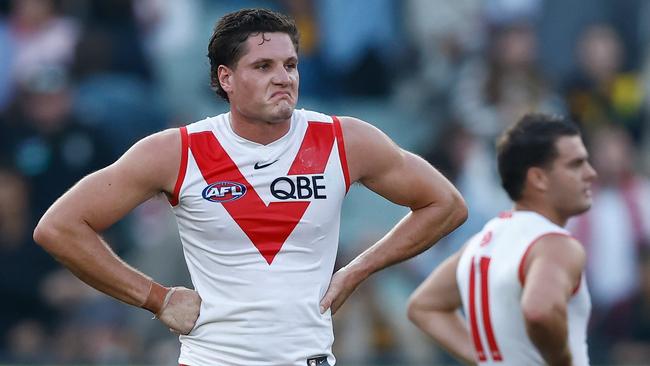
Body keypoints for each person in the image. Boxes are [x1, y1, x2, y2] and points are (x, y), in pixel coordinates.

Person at [33, 8, 467, 366]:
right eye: (264, 66)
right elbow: (59, 227)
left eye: (291, 64)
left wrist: (359, 268)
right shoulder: (177, 151)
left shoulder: (344, 140)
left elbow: (445, 204)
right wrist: (155, 297)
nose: (284, 77)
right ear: (226, 78)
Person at [408, 113, 597, 366]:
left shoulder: (482, 242)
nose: (590, 173)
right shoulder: (555, 245)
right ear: (538, 178)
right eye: (576, 164)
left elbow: (423, 305)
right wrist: (562, 362)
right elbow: (539, 311)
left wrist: (487, 359)